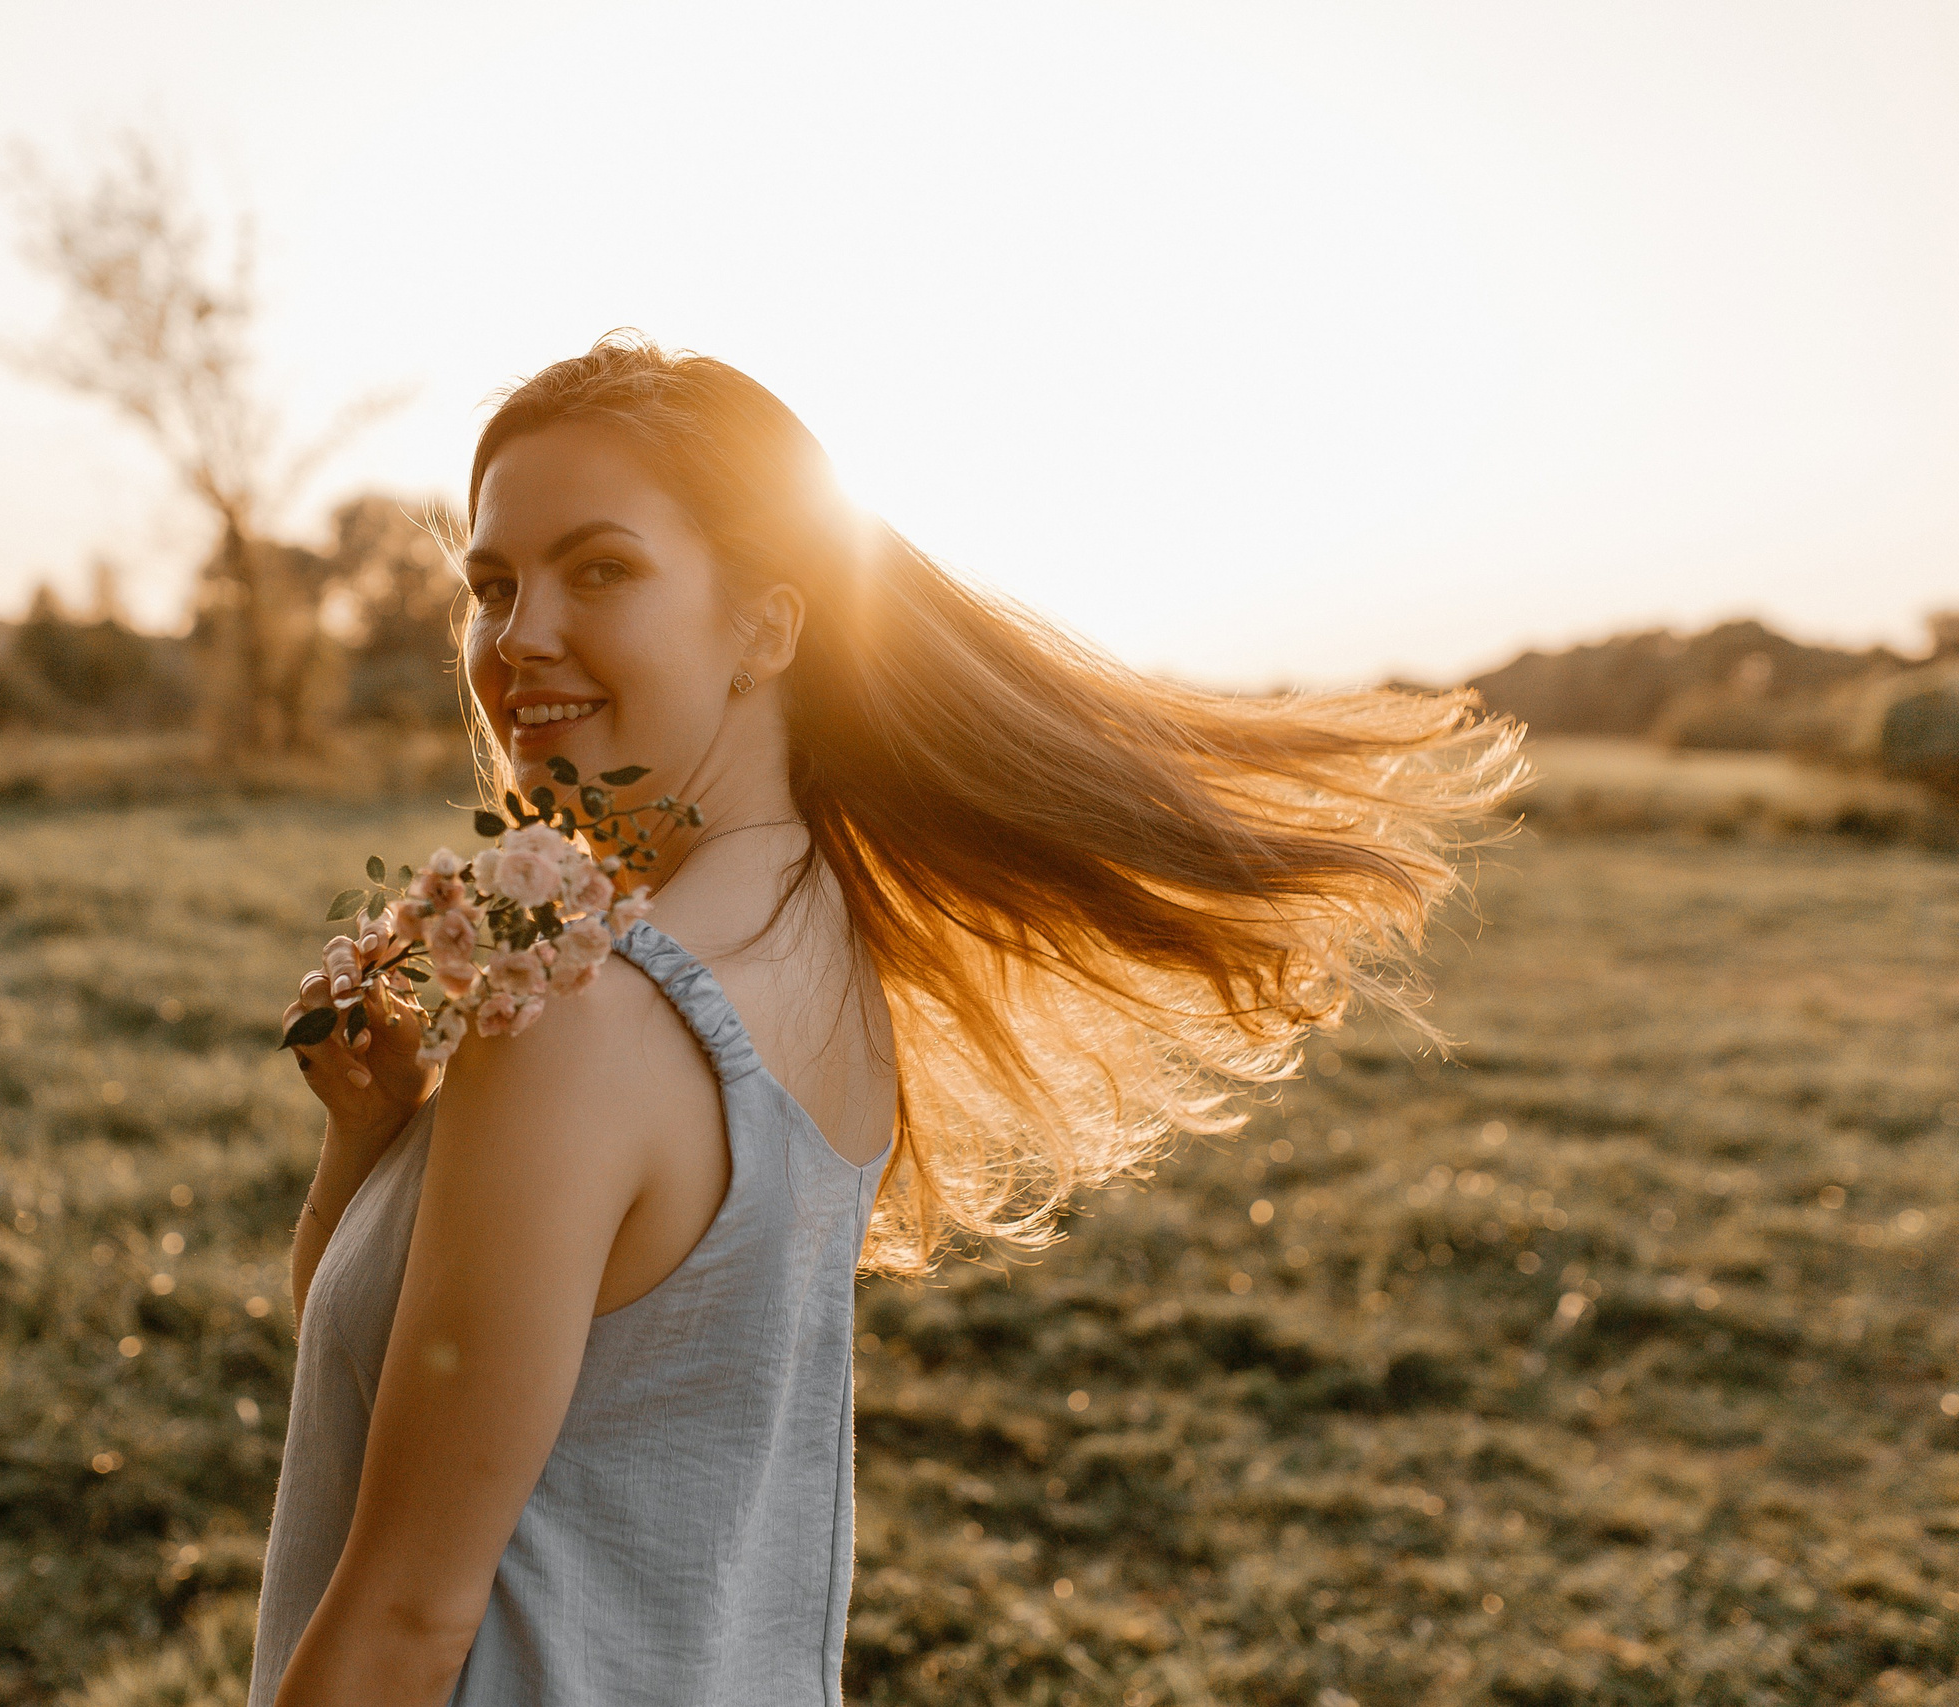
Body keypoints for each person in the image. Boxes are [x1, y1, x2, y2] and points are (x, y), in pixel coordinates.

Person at [247, 333, 1523, 1706]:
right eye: (494, 584)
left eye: (600, 569)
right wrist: (379, 1137)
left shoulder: (581, 1020)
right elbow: (391, 1401)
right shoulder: (819, 962)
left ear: (769, 624)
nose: (518, 635)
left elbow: (401, 1618)